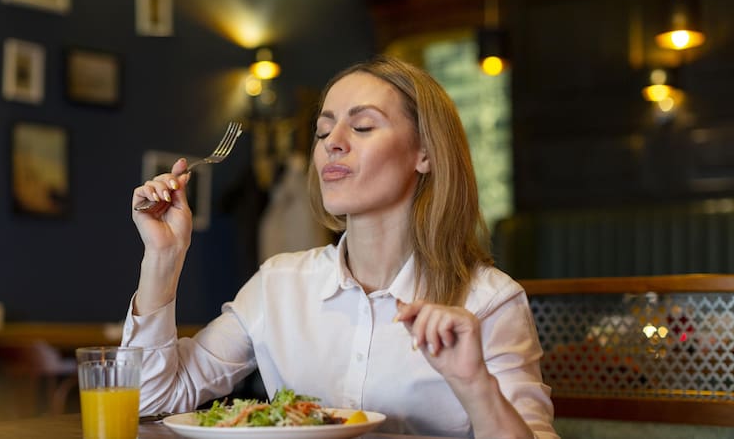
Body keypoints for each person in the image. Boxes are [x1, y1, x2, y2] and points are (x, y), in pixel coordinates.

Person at [123, 55, 558, 438]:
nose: (332, 141)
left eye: (363, 125)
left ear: (425, 153)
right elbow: (151, 404)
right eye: (323, 130)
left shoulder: (490, 302)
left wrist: (476, 385)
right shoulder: (279, 284)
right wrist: (163, 257)